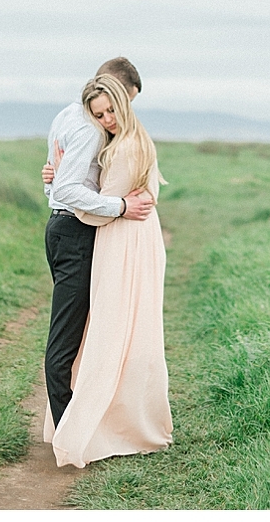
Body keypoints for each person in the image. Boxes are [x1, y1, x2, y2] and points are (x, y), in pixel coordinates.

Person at [42, 73, 173, 468]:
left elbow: (99, 201)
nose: (106, 119)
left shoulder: (124, 143)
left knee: (96, 335)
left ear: (125, 100)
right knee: (77, 337)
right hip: (80, 235)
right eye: (100, 113)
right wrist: (59, 183)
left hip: (102, 237)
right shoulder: (98, 133)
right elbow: (96, 197)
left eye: (111, 109)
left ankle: (80, 429)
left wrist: (64, 187)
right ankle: (73, 430)